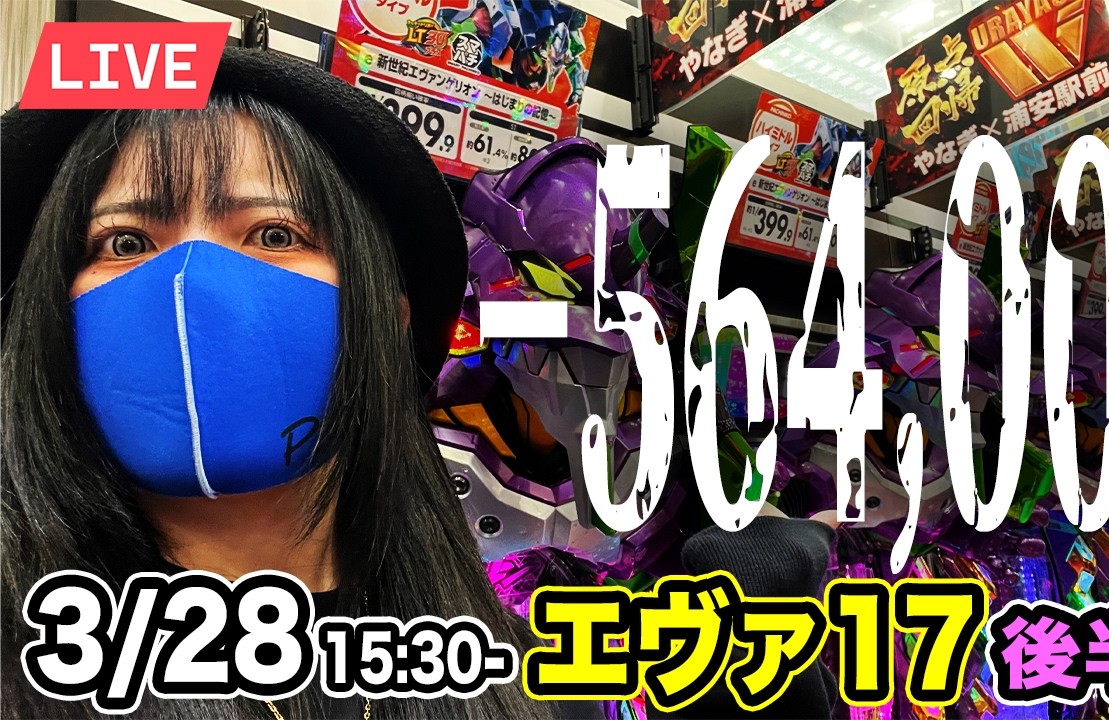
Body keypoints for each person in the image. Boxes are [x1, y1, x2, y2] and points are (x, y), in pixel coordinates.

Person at [0, 47, 837, 719]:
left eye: (275, 232)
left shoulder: (519, 671)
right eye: (124, 242)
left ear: (387, 314)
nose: (192, 284)